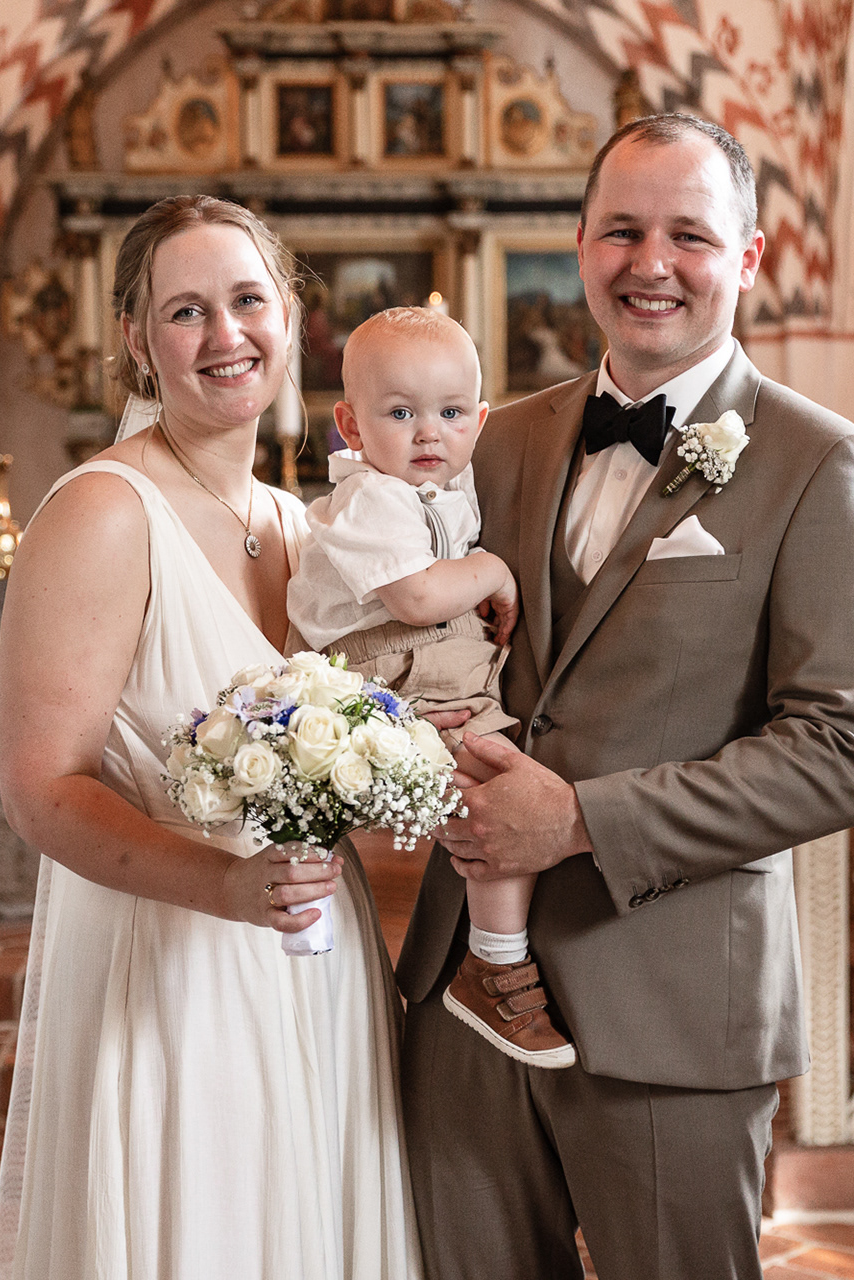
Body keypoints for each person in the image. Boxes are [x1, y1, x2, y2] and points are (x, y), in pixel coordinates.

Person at [396, 114, 854, 1280]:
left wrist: (578, 818)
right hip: (462, 992)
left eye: (690, 234)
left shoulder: (825, 466)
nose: (652, 263)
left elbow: (842, 752)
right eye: (622, 230)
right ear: (581, 244)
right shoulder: (493, 442)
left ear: (749, 256)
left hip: (675, 1007)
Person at [0, 194, 423, 1280]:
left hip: (319, 959)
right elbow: (41, 788)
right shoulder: (100, 512)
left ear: (291, 318)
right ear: (137, 341)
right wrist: (226, 887)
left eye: (247, 301)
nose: (226, 335)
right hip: (178, 971)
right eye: (186, 311)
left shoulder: (300, 525)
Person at [286, 306, 574, 1070]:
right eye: (400, 413)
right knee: (503, 804)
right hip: (387, 672)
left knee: (504, 802)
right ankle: (495, 966)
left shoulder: (447, 488)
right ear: (350, 425)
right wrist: (493, 570)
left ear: (479, 419)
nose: (427, 434)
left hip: (443, 672)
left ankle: (494, 959)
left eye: (449, 414)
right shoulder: (371, 497)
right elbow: (415, 599)